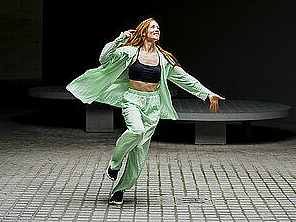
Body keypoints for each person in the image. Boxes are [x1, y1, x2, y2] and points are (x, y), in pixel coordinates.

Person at [66, 17, 225, 205]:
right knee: (136, 131)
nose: (157, 29)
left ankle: (119, 190)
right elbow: (104, 58)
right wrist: (119, 40)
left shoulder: (164, 59)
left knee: (139, 152)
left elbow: (185, 79)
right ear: (143, 31)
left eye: (158, 27)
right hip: (132, 100)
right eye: (152, 27)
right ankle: (115, 163)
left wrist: (207, 94)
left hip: (153, 105)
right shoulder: (130, 52)